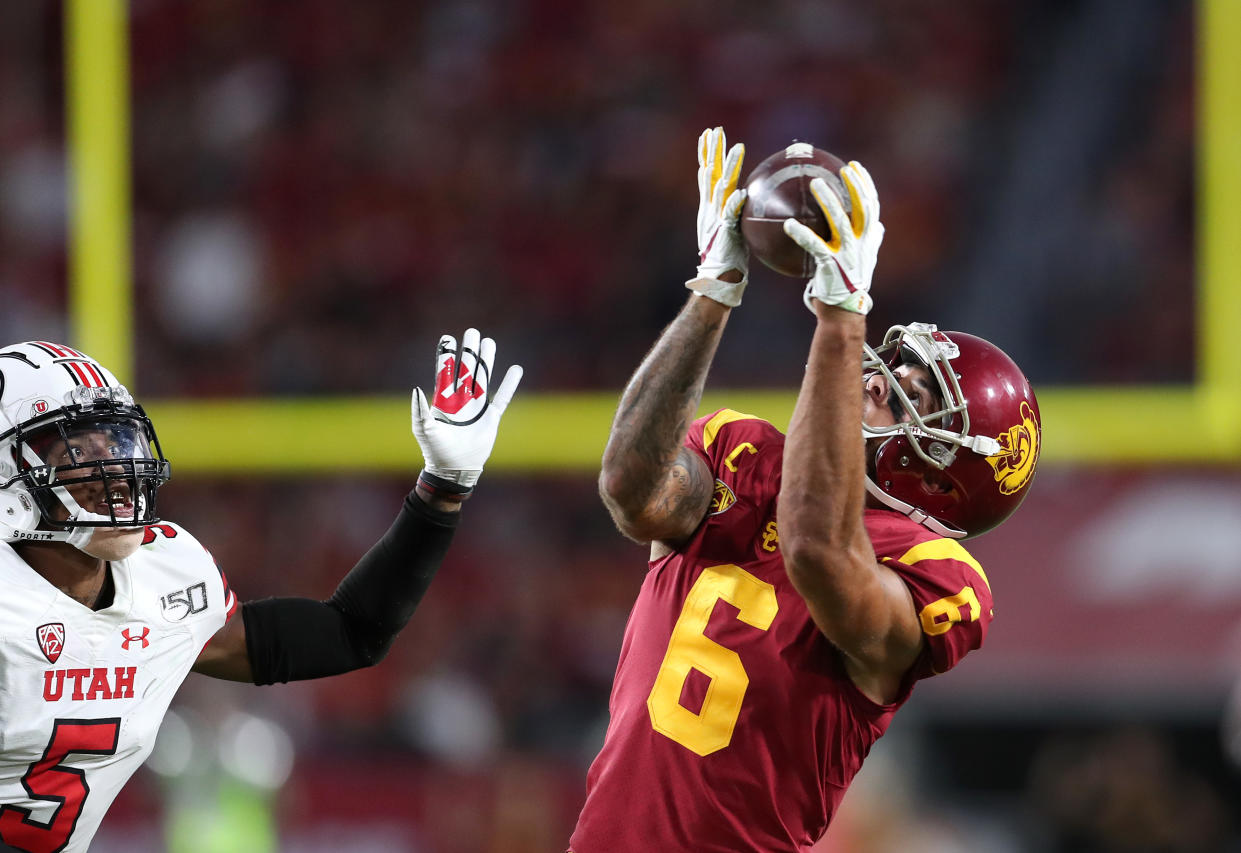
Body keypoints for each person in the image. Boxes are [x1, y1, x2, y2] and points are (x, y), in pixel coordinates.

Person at [568, 128, 1041, 852]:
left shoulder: (936, 574)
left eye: (915, 394)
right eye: (895, 365)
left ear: (942, 473)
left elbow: (815, 551)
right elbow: (630, 490)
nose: (879, 379)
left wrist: (841, 318)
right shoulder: (746, 451)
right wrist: (710, 294)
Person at [0, 329, 521, 853]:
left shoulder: (164, 576)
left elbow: (350, 633)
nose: (116, 474)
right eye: (77, 454)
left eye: (118, 444)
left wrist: (443, 489)